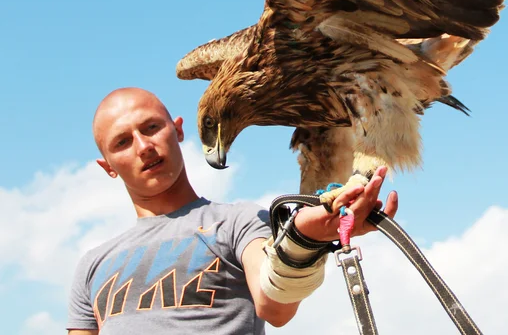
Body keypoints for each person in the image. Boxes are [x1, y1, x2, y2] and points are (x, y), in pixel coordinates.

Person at [67, 87, 398, 334]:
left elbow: (276, 308)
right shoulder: (92, 265)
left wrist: (304, 238)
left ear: (178, 130)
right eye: (122, 142)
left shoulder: (238, 222)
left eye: (151, 127)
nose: (144, 147)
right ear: (107, 166)